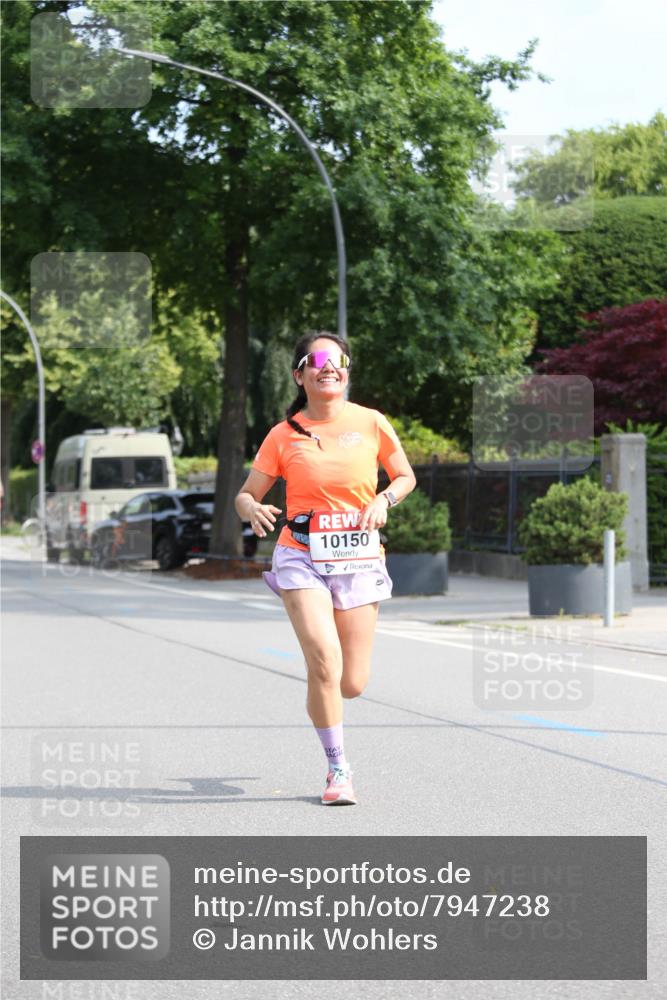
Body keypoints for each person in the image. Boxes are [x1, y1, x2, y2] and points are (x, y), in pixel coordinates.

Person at [235, 332, 416, 805]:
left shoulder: (371, 422)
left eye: (337, 359)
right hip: (300, 554)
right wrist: (252, 509)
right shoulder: (283, 435)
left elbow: (405, 476)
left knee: (351, 682)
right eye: (317, 359)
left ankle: (326, 687)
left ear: (347, 371)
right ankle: (338, 770)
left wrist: (384, 500)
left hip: (358, 557)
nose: (328, 366)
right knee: (324, 660)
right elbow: (246, 494)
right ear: (300, 375)